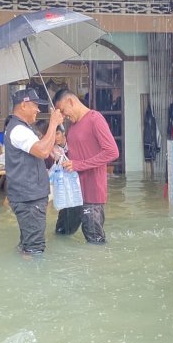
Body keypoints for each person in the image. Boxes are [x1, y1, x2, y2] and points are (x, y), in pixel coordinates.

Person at [53, 89, 119, 244]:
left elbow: (112, 152)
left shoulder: (95, 119)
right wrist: (61, 151)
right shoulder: (72, 125)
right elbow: (75, 153)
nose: (63, 116)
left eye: (63, 111)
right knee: (61, 233)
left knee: (94, 240)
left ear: (71, 101)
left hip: (91, 193)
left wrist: (79, 165)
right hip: (72, 192)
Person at [4, 88, 64, 254]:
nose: (38, 110)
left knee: (27, 244)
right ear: (23, 105)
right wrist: (53, 123)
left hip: (29, 196)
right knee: (35, 248)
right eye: (35, 105)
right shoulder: (18, 129)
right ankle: (32, 276)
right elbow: (42, 152)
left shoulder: (21, 128)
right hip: (29, 198)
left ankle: (22, 271)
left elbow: (43, 150)